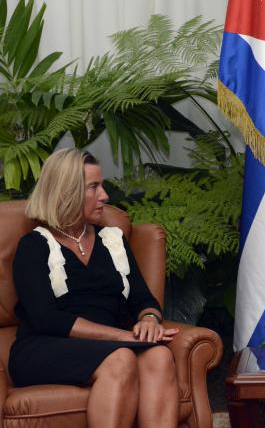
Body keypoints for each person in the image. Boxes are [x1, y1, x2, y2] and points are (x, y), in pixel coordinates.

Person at [9, 148, 180, 428]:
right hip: (44, 347)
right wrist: (123, 337)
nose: (105, 195)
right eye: (94, 187)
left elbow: (142, 298)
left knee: (159, 356)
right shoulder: (34, 246)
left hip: (110, 345)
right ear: (68, 192)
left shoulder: (112, 241)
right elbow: (47, 319)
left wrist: (149, 319)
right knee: (122, 358)